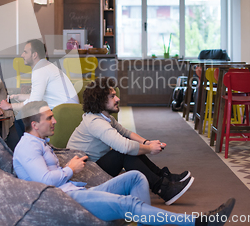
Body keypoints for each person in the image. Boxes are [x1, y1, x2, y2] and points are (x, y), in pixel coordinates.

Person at [13, 101, 235, 226]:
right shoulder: (28, 147)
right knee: (128, 204)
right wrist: (70, 168)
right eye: (49, 118)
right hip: (67, 199)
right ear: (34, 124)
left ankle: (148, 218)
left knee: (136, 177)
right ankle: (199, 223)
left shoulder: (40, 142)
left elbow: (126, 134)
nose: (55, 121)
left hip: (75, 191)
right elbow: (44, 181)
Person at [67, 77, 192, 205]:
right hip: (86, 175)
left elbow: (126, 133)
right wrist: (150, 149)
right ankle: (163, 188)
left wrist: (147, 142)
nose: (118, 99)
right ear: (100, 101)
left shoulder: (104, 117)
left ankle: (164, 177)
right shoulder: (95, 123)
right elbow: (125, 147)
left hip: (93, 166)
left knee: (128, 147)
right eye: (112, 96)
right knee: (123, 152)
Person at [0, 39, 78, 149]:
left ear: (34, 55)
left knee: (20, 118)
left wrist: (10, 106)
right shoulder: (45, 66)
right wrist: (19, 97)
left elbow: (34, 102)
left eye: (25, 52)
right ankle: (25, 151)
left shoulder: (40, 70)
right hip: (66, 108)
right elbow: (39, 96)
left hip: (63, 110)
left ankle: (24, 152)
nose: (22, 55)